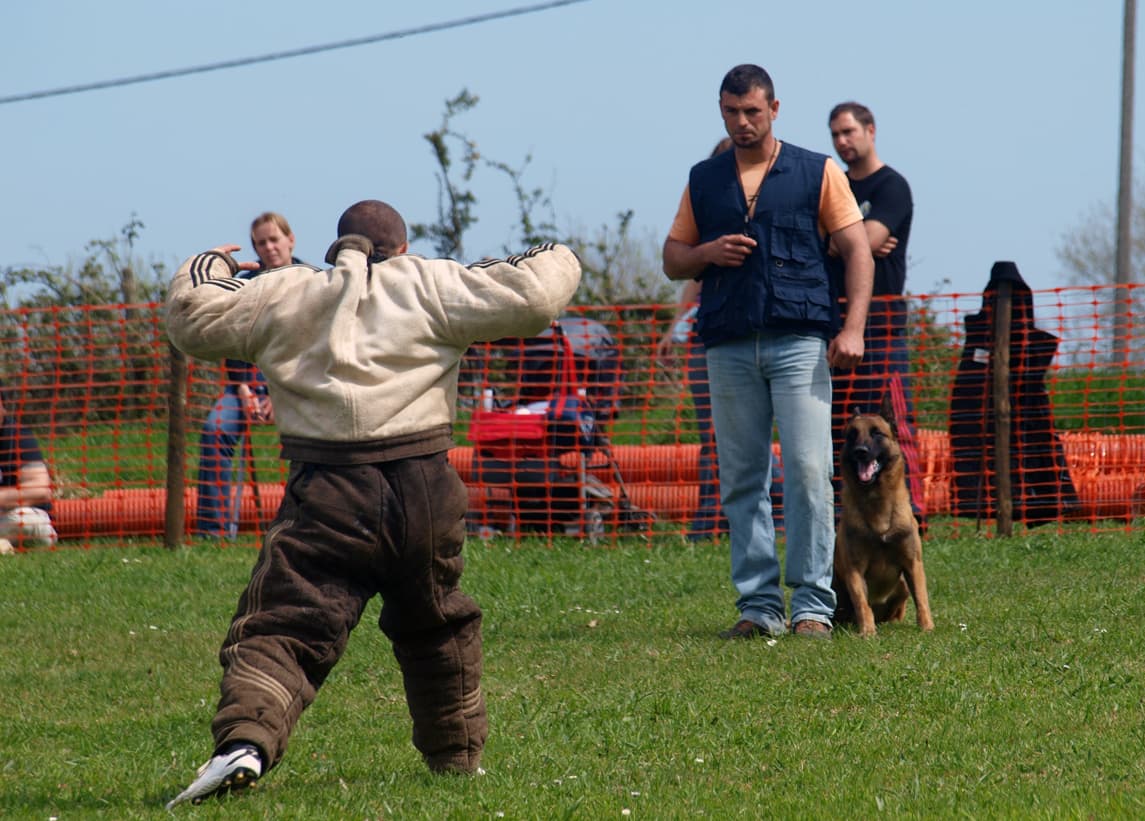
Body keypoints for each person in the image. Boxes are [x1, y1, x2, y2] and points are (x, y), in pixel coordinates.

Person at [164, 200, 581, 808]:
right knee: (437, 622)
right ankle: (458, 760)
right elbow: (538, 297)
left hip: (327, 489)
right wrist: (549, 250)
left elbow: (191, 316)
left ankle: (245, 743)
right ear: (402, 248)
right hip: (425, 489)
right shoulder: (432, 281)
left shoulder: (286, 291)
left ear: (338, 247)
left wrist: (207, 262)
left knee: (285, 624)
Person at [662, 64, 874, 640]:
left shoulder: (818, 171)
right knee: (742, 476)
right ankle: (759, 608)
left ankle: (812, 607)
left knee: (808, 470)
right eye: (731, 112)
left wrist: (852, 329)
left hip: (800, 341)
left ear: (775, 109)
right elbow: (673, 257)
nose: (742, 122)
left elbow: (859, 251)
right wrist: (707, 250)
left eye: (752, 111)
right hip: (727, 343)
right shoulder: (704, 179)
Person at [657, 138, 782, 541]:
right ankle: (709, 522)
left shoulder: (770, 208)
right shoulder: (706, 212)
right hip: (706, 336)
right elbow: (690, 273)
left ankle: (773, 514)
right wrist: (674, 329)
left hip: (757, 333)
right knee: (713, 435)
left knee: (754, 436)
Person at [827, 102, 924, 521]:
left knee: (895, 425)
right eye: (835, 135)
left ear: (871, 130)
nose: (842, 141)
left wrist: (842, 240)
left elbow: (867, 239)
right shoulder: (836, 187)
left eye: (849, 132)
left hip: (883, 329)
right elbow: (856, 241)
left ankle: (912, 512)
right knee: (840, 429)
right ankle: (843, 513)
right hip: (837, 326)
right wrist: (852, 240)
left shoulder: (892, 187)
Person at [194, 211, 301, 537]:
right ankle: (213, 533)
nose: (268, 247)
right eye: (260, 242)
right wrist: (242, 389)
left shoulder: (311, 281)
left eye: (274, 240)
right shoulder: (243, 284)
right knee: (214, 431)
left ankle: (308, 529)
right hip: (246, 387)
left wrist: (280, 392)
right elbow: (232, 339)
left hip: (299, 387)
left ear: (290, 240)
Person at [0, 390, 57, 553]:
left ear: (3, 407)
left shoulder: (18, 436)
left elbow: (39, 491)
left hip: (21, 516)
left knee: (25, 522)